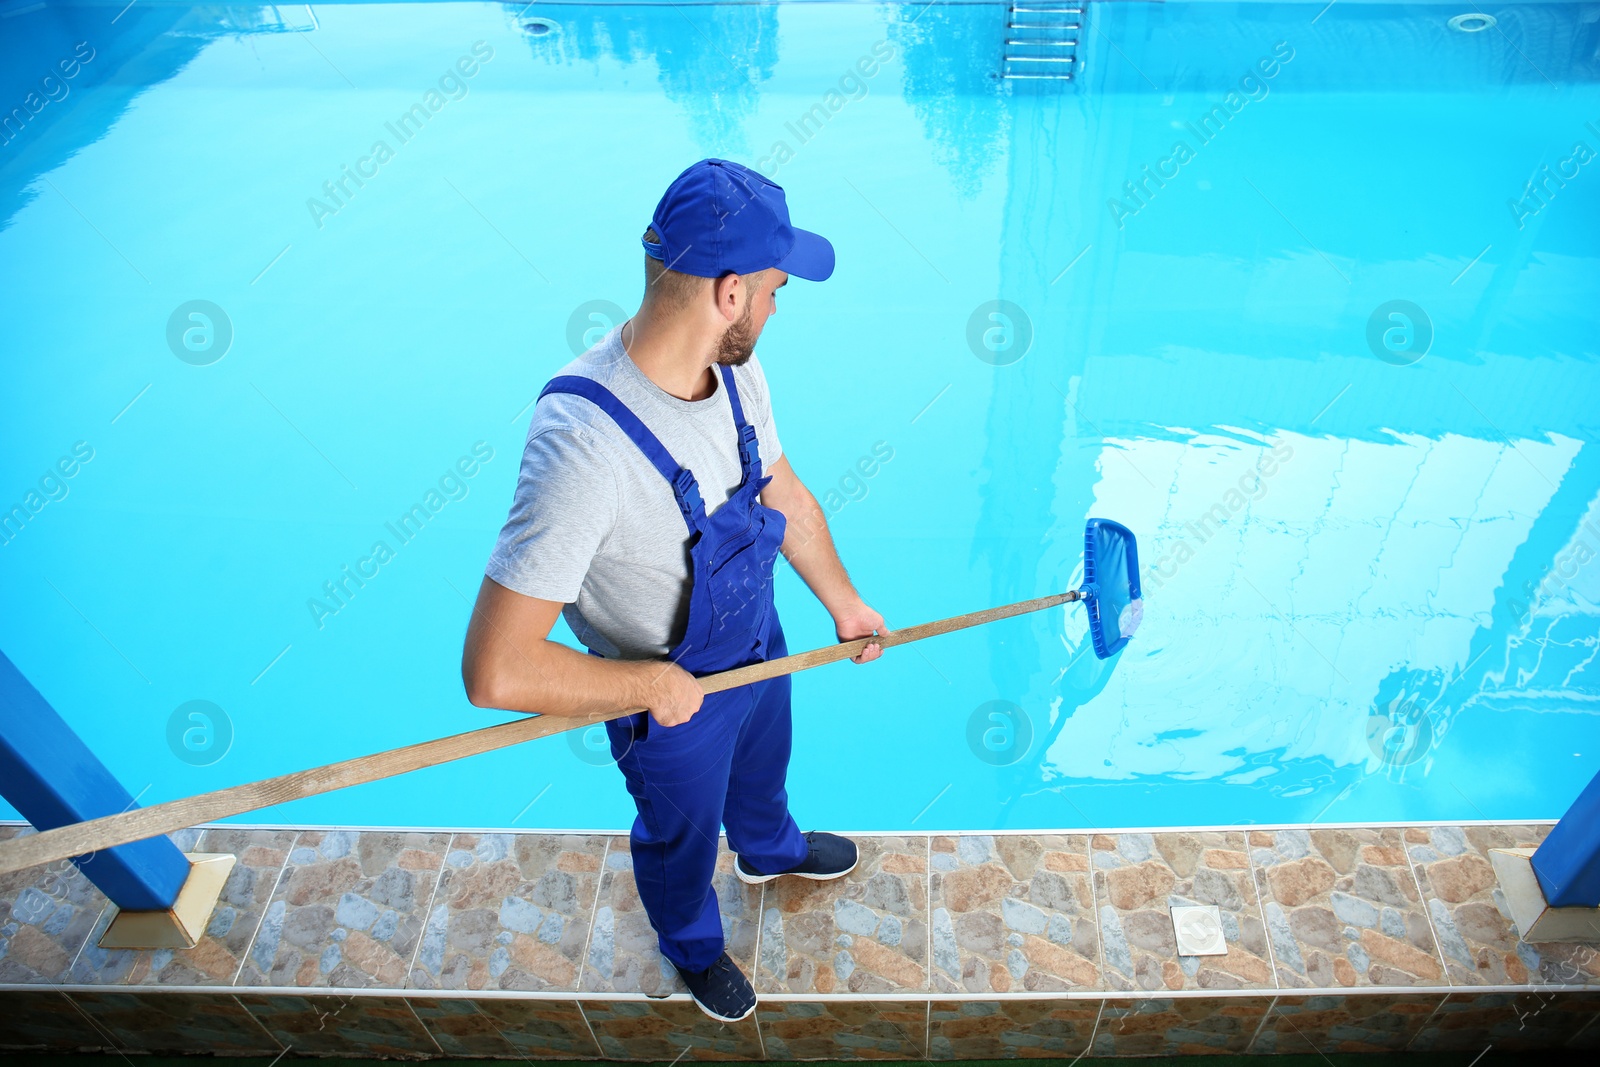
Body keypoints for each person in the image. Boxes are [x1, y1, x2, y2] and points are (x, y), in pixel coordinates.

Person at [460, 158, 888, 1021]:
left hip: (755, 642)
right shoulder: (581, 446)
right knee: (681, 842)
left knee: (765, 769)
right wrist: (649, 686)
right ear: (730, 293)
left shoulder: (734, 372)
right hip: (665, 694)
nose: (777, 305)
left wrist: (842, 601)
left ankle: (768, 850)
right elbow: (495, 670)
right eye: (774, 288)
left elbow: (784, 493)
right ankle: (692, 946)